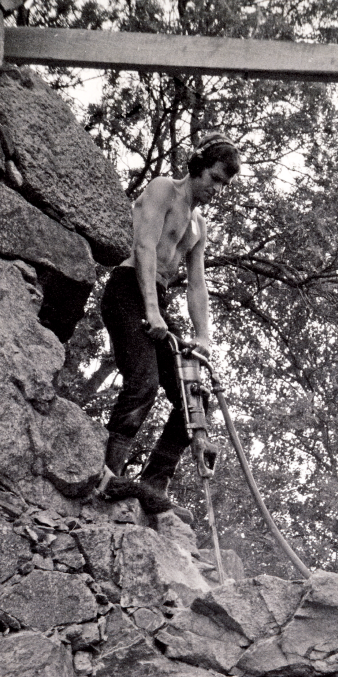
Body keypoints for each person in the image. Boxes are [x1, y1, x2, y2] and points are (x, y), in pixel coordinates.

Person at [97, 131, 241, 519]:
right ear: (197, 168)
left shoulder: (199, 227)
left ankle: (153, 483)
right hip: (128, 291)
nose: (217, 189)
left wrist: (203, 336)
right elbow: (144, 246)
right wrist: (151, 310)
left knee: (195, 397)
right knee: (142, 381)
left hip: (155, 299)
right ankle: (108, 474)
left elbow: (197, 285)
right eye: (214, 178)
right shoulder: (164, 190)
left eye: (224, 185)